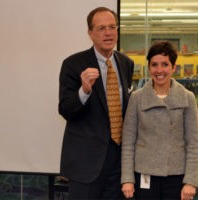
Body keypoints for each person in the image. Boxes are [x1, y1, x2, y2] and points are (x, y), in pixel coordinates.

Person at [58, 7, 134, 200]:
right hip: (86, 164)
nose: (108, 33)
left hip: (118, 162)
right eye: (101, 28)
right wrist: (84, 90)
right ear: (90, 33)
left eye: (112, 27)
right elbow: (65, 109)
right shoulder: (73, 64)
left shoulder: (126, 63)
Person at [121, 41, 198, 200]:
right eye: (154, 65)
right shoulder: (137, 98)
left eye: (165, 64)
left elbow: (193, 144)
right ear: (149, 67)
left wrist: (191, 181)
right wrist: (127, 179)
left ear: (173, 67)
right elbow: (128, 142)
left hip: (176, 175)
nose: (159, 70)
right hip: (144, 174)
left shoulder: (187, 98)